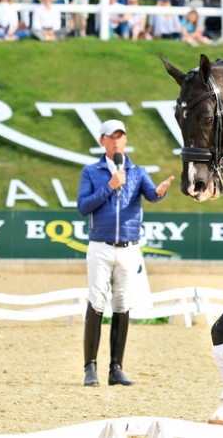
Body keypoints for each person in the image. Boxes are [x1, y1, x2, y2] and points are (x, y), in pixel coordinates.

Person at [77, 119, 174, 387]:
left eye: (120, 136)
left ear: (125, 140)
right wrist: (109, 186)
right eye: (111, 136)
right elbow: (83, 207)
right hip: (100, 246)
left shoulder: (138, 171)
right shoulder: (91, 171)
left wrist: (159, 192)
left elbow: (151, 196)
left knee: (122, 305)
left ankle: (116, 369)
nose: (116, 141)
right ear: (102, 141)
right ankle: (90, 368)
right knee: (96, 303)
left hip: (129, 248)